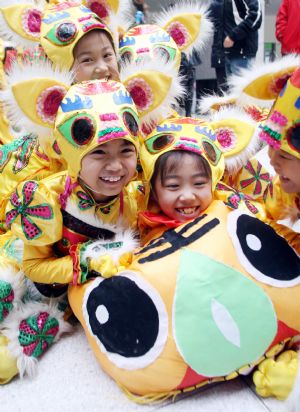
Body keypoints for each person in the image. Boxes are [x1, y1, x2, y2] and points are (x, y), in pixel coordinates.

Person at [0, 75, 145, 383]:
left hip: (62, 302)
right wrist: (85, 262)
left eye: (125, 151)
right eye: (99, 153)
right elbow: (34, 266)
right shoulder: (47, 197)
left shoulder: (133, 200)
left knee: (7, 363)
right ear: (70, 153)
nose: (116, 166)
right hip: (18, 268)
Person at [210, 0, 262, 82]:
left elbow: (256, 16)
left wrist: (233, 36)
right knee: (229, 93)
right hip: (224, 55)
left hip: (242, 53)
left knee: (241, 92)